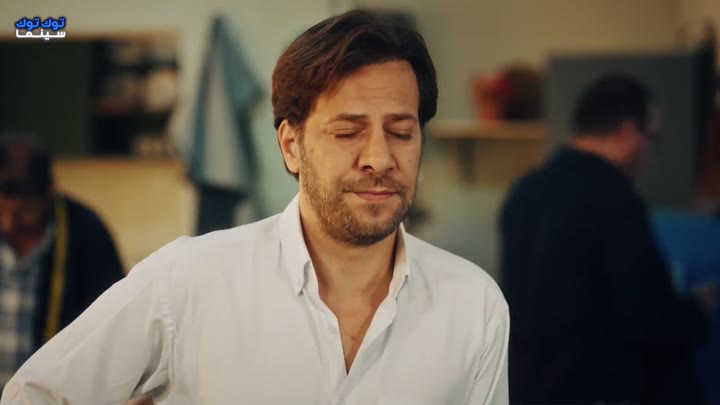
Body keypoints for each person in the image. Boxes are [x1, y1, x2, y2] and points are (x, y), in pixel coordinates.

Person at [1, 10, 509, 405]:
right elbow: (34, 395)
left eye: (400, 131)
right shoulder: (187, 281)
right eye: (347, 132)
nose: (380, 157)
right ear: (291, 146)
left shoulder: (474, 306)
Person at [499, 73, 717, 404]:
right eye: (652, 138)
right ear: (628, 132)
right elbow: (647, 321)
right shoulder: (614, 197)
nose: (650, 152)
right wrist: (698, 308)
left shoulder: (524, 190)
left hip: (530, 389)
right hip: (595, 389)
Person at [0, 133, 125, 390]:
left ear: (49, 191)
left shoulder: (85, 234)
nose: (8, 224)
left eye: (22, 214)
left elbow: (113, 331)